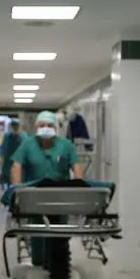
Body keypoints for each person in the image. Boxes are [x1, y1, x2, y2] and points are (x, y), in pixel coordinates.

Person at [9, 110, 84, 267]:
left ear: (56, 128)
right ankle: (38, 264)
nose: (46, 128)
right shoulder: (28, 145)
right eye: (42, 125)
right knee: (38, 233)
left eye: (50, 125)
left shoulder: (66, 146)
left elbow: (77, 167)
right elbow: (16, 165)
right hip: (36, 198)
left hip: (61, 198)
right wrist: (16, 190)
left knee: (60, 234)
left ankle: (59, 267)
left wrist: (79, 190)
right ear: (36, 127)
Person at [0, 118, 26, 187]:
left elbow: (27, 152)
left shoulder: (24, 137)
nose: (15, 128)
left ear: (20, 127)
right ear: (11, 127)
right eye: (13, 126)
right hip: (8, 165)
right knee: (9, 185)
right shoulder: (7, 136)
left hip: (21, 165)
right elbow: (2, 152)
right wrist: (1, 167)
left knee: (20, 183)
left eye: (17, 126)